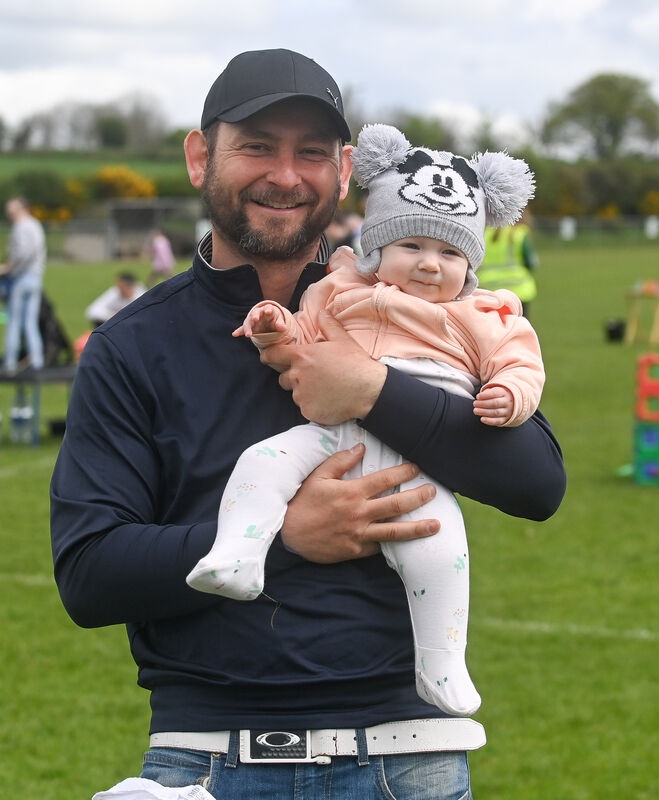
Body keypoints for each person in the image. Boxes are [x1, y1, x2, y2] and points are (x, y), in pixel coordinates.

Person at [50, 49, 566, 800]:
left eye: (312, 153)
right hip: (204, 758)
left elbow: (536, 482)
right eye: (256, 146)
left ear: (346, 168)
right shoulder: (132, 345)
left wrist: (371, 389)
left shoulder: (421, 304)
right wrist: (289, 540)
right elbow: (89, 576)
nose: (285, 175)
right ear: (200, 157)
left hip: (406, 756)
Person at [187, 124, 544, 719]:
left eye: (451, 253)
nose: (431, 265)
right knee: (262, 462)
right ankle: (237, 555)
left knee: (443, 550)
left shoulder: (483, 315)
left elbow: (520, 363)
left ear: (471, 266)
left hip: (419, 464)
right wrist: (274, 325)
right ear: (377, 249)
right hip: (332, 441)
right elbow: (300, 344)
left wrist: (510, 394)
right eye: (411, 247)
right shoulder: (339, 290)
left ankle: (442, 664)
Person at [1, 196, 46, 375]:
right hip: (35, 277)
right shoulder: (35, 225)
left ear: (23, 209)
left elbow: (23, 252)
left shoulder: (23, 226)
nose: (11, 216)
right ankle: (36, 359)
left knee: (13, 320)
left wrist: (8, 267)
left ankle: (10, 361)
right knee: (30, 321)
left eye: (13, 212)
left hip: (22, 277)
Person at [477, 211, 539, 318]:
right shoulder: (519, 234)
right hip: (519, 291)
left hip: (490, 291)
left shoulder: (485, 233)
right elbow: (532, 263)